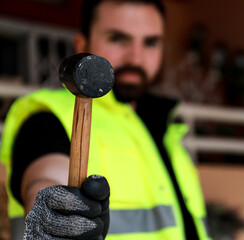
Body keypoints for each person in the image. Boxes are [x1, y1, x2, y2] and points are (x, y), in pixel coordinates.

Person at [0, 0, 210, 239]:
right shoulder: (48, 116)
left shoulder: (167, 127)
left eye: (151, 42)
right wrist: (54, 217)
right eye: (118, 38)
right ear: (82, 44)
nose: (136, 57)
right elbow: (43, 178)